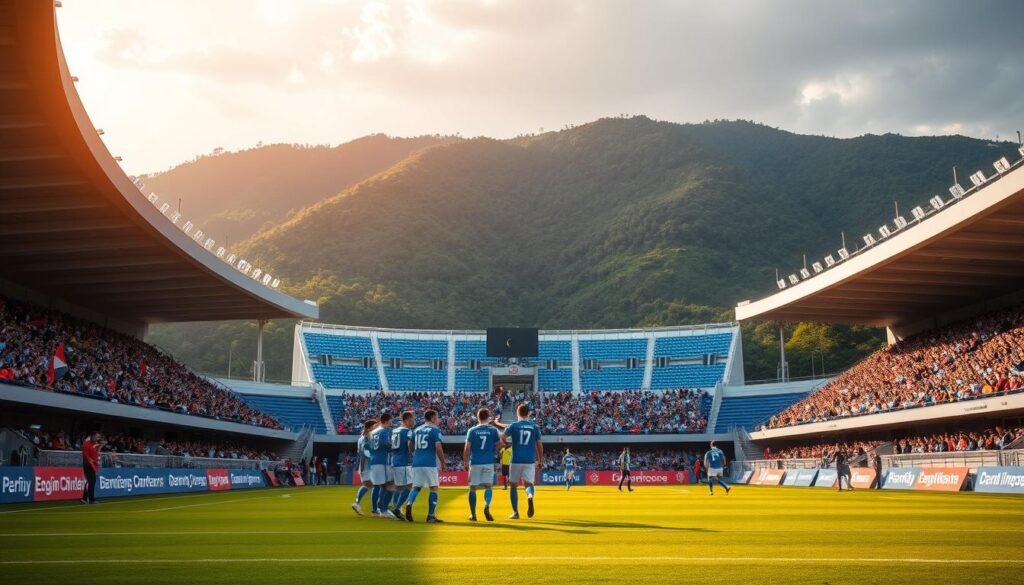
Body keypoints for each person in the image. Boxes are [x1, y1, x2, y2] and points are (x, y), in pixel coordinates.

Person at [494, 403, 543, 519]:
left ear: (517, 413)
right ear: (528, 414)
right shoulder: (534, 427)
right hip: (530, 460)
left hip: (516, 459)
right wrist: (540, 459)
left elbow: (503, 438)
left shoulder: (513, 426)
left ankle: (515, 512)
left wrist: (505, 445)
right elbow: (539, 444)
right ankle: (530, 495)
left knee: (513, 486)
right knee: (529, 484)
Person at [404, 409, 445, 523]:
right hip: (429, 463)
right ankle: (431, 515)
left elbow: (409, 444)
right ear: (432, 418)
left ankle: (409, 503)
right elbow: (438, 447)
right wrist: (443, 462)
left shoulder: (416, 430)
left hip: (416, 463)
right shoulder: (435, 430)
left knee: (416, 487)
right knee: (434, 488)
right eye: (437, 417)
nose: (438, 420)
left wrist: (414, 453)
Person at [464, 408, 500, 522]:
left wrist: (465, 461)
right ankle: (486, 505)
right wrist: (494, 450)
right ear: (488, 417)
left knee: (472, 488)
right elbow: (499, 445)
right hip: (488, 461)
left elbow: (467, 447)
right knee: (488, 486)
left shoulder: (472, 430)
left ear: (478, 417)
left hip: (475, 462)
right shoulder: (493, 430)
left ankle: (473, 514)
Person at [369, 413, 398, 519]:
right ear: (387, 420)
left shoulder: (372, 432)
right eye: (390, 420)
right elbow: (388, 446)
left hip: (373, 461)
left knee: (377, 486)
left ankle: (375, 510)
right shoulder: (384, 431)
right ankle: (383, 509)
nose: (391, 422)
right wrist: (396, 446)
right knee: (391, 485)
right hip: (382, 461)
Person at [389, 410, 415, 520]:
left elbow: (391, 445)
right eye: (412, 419)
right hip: (405, 461)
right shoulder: (408, 431)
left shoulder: (395, 431)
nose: (413, 421)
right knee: (409, 486)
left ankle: (396, 509)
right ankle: (397, 508)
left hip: (395, 460)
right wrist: (411, 453)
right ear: (407, 420)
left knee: (398, 486)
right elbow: (409, 444)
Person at [351, 419, 376, 516]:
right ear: (371, 427)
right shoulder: (367, 438)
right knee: (375, 485)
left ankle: (358, 503)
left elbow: (359, 452)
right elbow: (365, 454)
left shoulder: (361, 438)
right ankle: (376, 508)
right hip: (368, 466)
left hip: (364, 466)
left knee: (368, 486)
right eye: (375, 426)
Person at [80, 431, 101, 504]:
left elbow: (96, 453)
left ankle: (85, 498)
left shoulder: (95, 444)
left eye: (99, 437)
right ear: (92, 436)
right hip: (88, 465)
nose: (98, 438)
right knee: (91, 481)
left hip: (93, 465)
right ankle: (90, 499)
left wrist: (97, 460)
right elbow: (85, 455)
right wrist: (91, 461)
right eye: (97, 436)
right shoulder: (87, 444)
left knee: (92, 481)